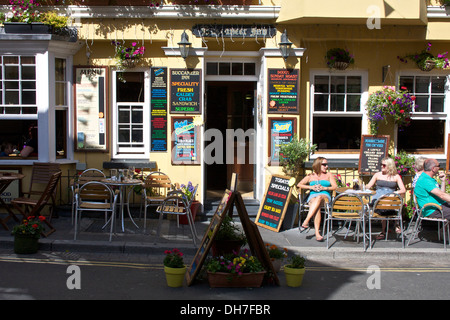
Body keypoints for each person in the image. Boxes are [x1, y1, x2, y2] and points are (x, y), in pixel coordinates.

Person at [297, 157, 336, 242]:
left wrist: (324, 188)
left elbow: (334, 187)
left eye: (327, 164)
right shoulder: (311, 176)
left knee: (318, 198)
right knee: (316, 205)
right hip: (313, 196)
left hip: (324, 196)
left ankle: (306, 220)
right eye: (324, 165)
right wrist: (311, 187)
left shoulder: (329, 175)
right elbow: (299, 184)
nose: (326, 166)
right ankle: (317, 233)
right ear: (318, 165)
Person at [366, 157, 406, 240]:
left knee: (388, 202)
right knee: (383, 203)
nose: (381, 166)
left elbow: (403, 189)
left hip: (390, 199)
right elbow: (368, 186)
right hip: (379, 199)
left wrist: (394, 193)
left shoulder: (396, 176)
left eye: (384, 165)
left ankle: (385, 230)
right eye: (381, 165)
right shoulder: (377, 175)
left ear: (390, 166)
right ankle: (392, 226)